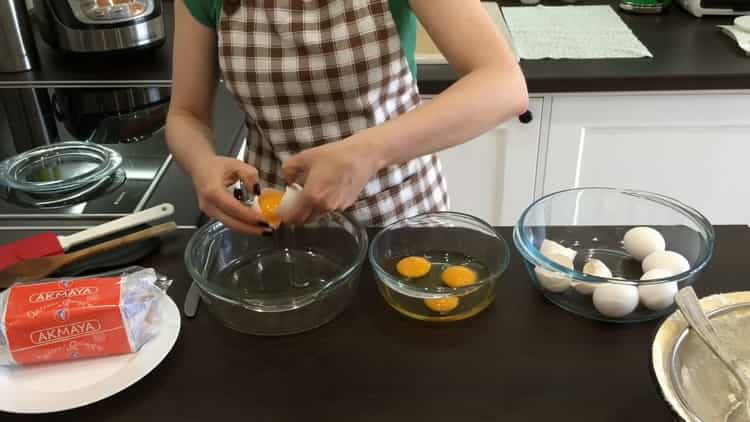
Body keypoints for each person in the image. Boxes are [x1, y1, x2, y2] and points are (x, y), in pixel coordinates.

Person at [166, 0, 528, 234]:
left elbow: (503, 84)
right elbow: (187, 114)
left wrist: (369, 152)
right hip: (277, 224)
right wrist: (202, 165)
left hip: (401, 218)